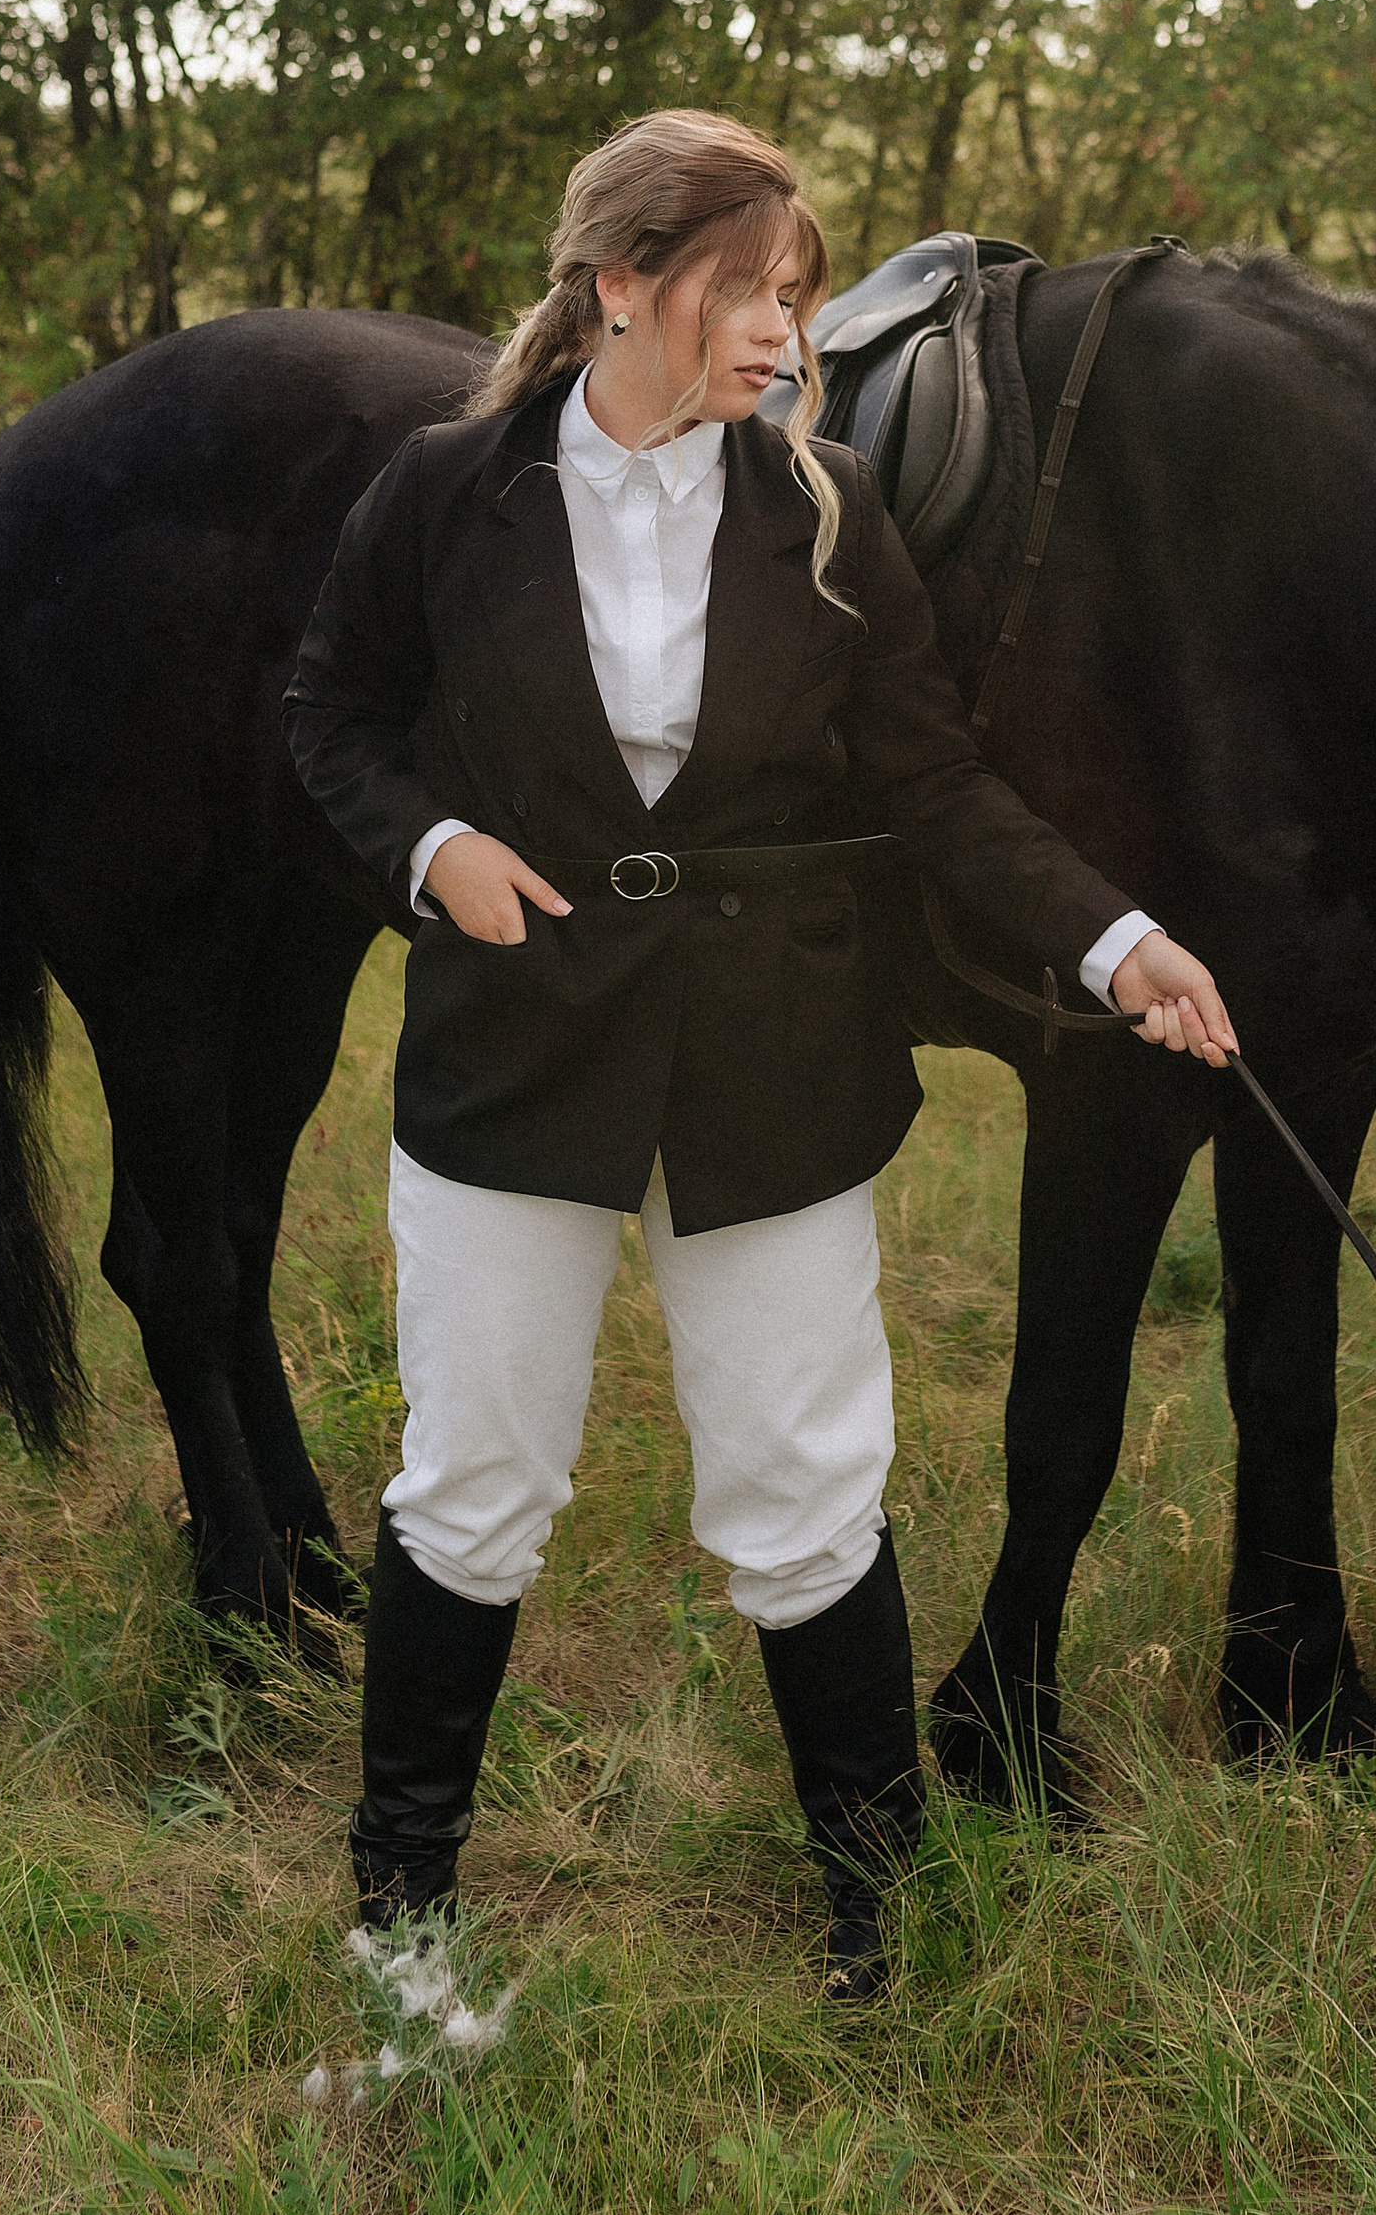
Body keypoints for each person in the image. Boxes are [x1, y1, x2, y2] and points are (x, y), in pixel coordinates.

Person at [285, 109, 1234, 2003]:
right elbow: (330, 708)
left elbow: (934, 784)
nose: (785, 333)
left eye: (798, 293)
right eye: (748, 289)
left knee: (805, 1484)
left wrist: (1116, 939)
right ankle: (402, 1916)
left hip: (776, 1058)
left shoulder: (824, 510)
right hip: (516, 1051)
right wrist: (430, 846)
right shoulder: (443, 494)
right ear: (622, 283)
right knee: (473, 1481)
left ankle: (874, 1910)